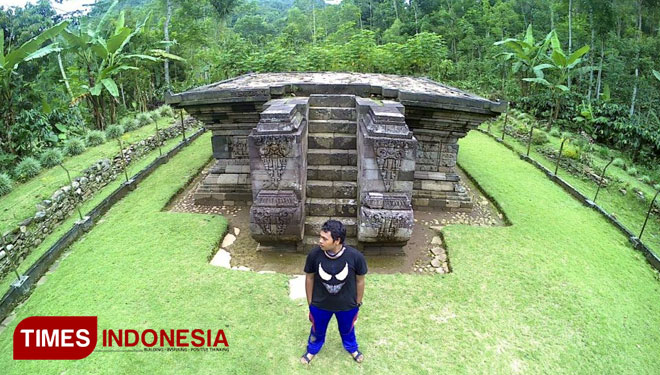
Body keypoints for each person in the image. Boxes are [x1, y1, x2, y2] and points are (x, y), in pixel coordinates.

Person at [300, 219, 367, 365]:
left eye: (325, 238)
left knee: (348, 330)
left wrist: (357, 302)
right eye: (320, 237)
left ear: (337, 241)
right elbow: (309, 278)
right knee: (317, 330)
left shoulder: (356, 257)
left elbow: (360, 280)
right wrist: (310, 302)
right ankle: (312, 350)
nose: (320, 241)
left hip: (347, 306)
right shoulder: (314, 255)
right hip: (320, 305)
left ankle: (352, 348)